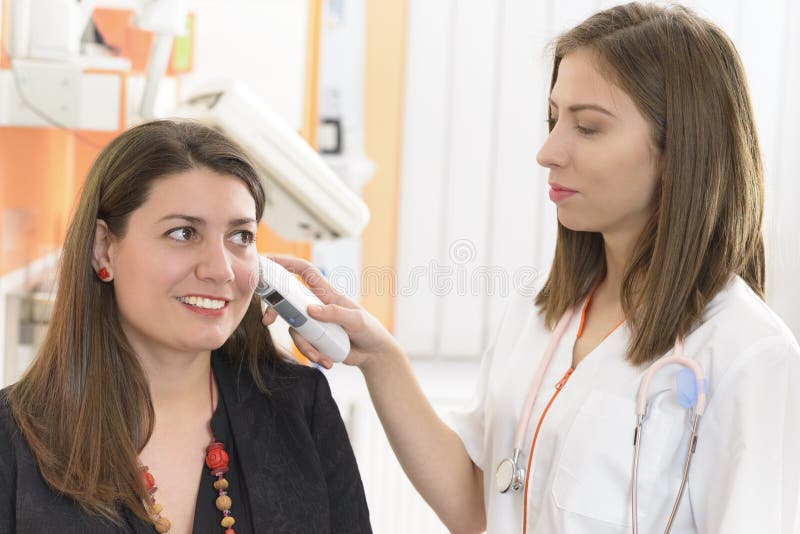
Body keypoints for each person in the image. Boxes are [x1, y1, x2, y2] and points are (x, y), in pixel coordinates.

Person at [265, 3, 800, 533]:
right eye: (552, 119)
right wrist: (380, 358)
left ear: (681, 149)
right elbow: (478, 507)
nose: (547, 151)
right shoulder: (541, 312)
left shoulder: (747, 355)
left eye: (587, 127)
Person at [0, 120, 372, 534]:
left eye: (241, 236)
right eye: (183, 232)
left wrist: (383, 361)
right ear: (103, 248)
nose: (220, 269)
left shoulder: (300, 406)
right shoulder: (13, 440)